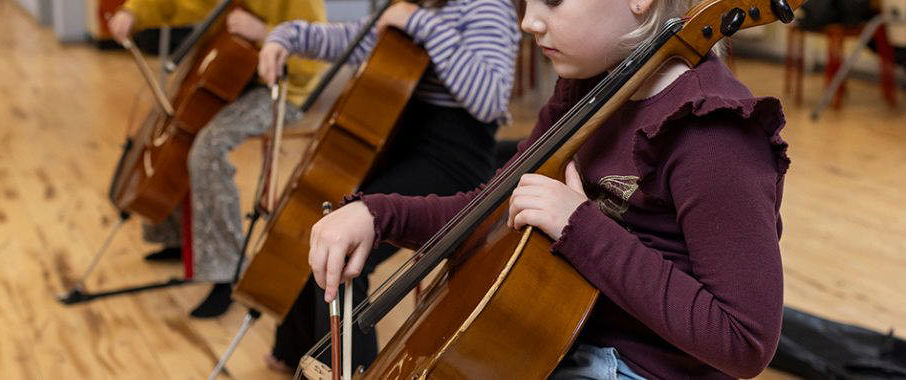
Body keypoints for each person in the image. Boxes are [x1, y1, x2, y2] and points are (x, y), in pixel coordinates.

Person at [308, 0, 790, 378]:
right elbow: (493, 208)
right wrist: (375, 215)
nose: (527, 22)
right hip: (552, 345)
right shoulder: (586, 89)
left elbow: (745, 341)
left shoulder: (713, 133)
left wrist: (579, 226)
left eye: (553, 1)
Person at [257, 0, 520, 372]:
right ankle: (300, 349)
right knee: (324, 217)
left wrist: (419, 22)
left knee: (346, 250)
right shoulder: (420, 7)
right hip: (402, 149)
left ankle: (357, 373)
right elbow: (352, 38)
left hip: (451, 165)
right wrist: (285, 37)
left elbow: (489, 99)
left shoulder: (485, 7)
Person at [107, 0, 328, 318]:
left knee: (209, 146)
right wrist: (134, 12)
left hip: (280, 88)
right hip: (227, 71)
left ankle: (228, 270)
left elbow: (316, 59)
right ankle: (175, 235)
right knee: (187, 121)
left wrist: (266, 34)